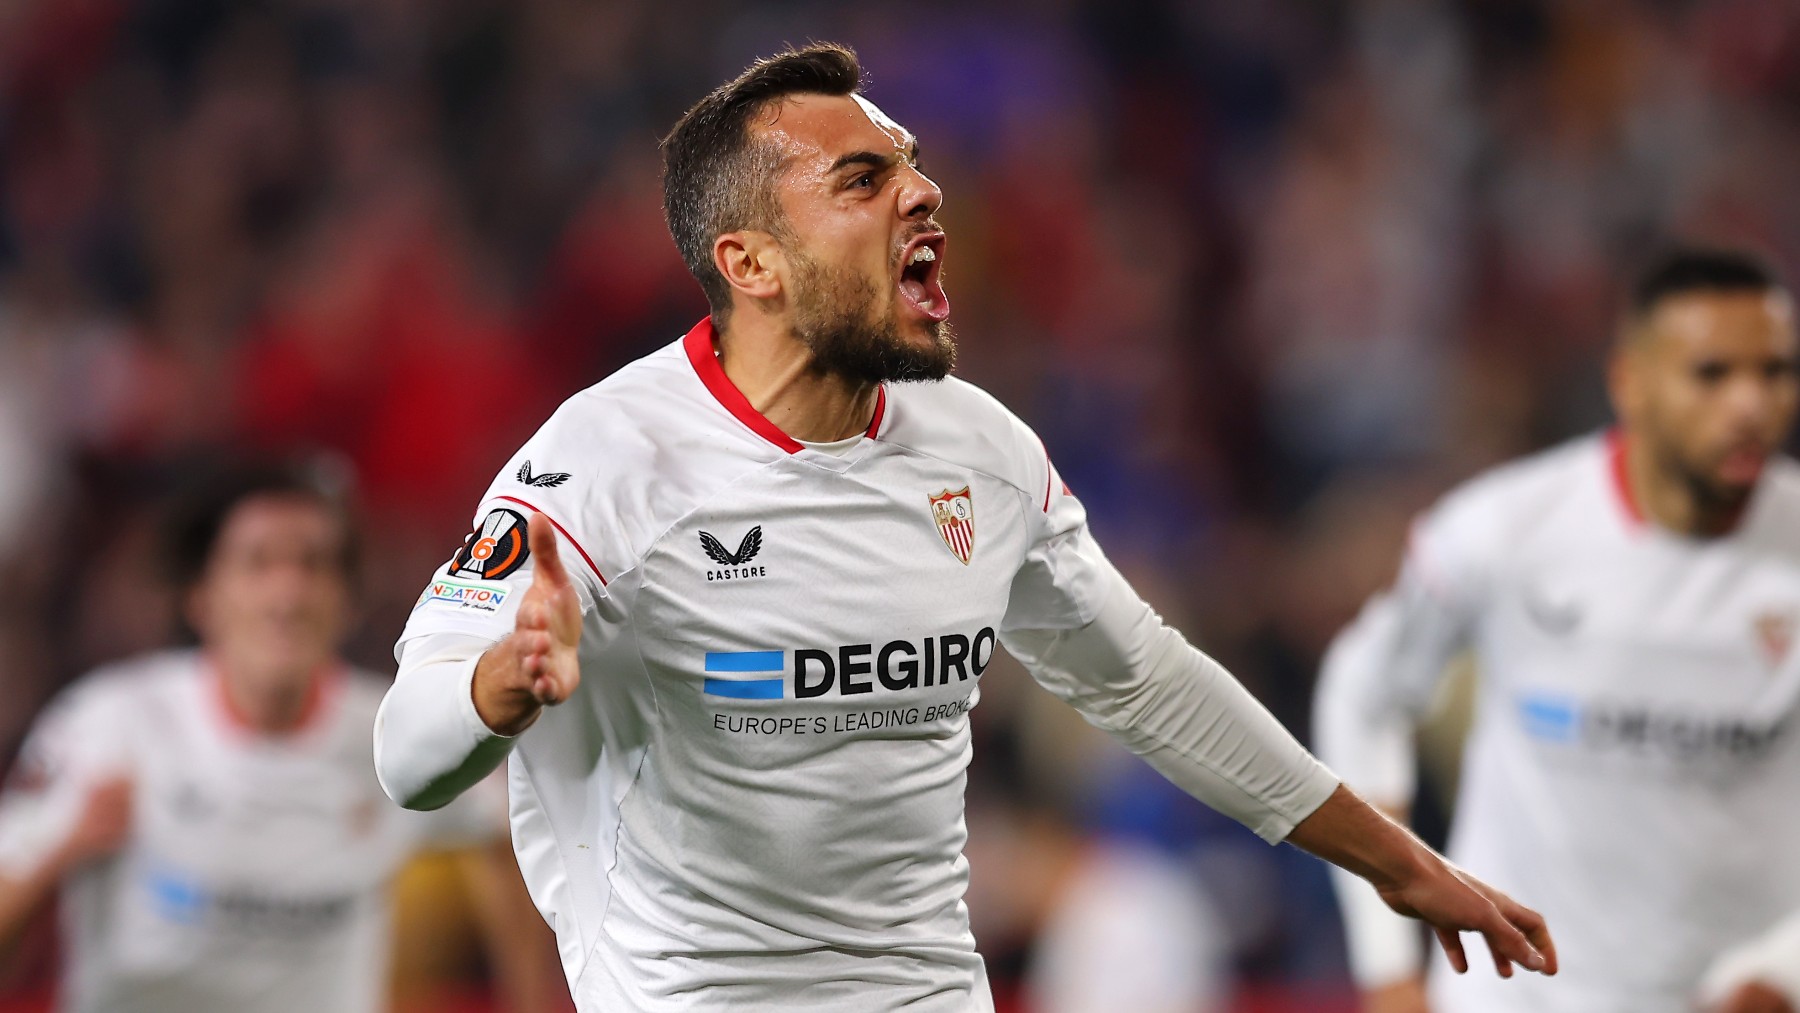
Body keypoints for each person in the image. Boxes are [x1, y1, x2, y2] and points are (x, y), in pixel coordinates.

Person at [374, 42, 1554, 1011]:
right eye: (860, 181)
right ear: (752, 263)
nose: (922, 193)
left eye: (911, 165)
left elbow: (1146, 682)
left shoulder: (978, 449)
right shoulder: (605, 464)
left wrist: (1403, 864)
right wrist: (501, 684)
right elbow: (406, 752)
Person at [1315, 246, 1800, 1013]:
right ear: (1629, 383)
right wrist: (1388, 966)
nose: (1750, 403)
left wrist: (1784, 970)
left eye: (1774, 372)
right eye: (1712, 374)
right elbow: (1361, 693)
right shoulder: (1501, 533)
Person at [0, 465, 562, 1013]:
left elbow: (506, 832)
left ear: (348, 604)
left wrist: (531, 1001)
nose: (288, 593)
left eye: (313, 565)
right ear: (202, 599)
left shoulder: (394, 732)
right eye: (258, 563)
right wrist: (60, 852)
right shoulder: (108, 727)